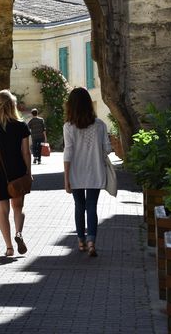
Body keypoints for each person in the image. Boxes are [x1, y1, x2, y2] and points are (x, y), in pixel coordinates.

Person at [62, 87, 111, 256]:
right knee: (92, 206)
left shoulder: (68, 127)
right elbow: (108, 149)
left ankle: (81, 240)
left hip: (76, 172)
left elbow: (68, 152)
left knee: (79, 206)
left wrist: (66, 177)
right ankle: (92, 241)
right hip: (95, 171)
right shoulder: (100, 125)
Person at [0, 89, 32, 257]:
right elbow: (26, 152)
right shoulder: (21, 126)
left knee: (2, 210)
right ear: (13, 105)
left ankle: (9, 247)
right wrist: (29, 172)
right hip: (18, 170)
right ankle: (19, 233)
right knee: (18, 207)